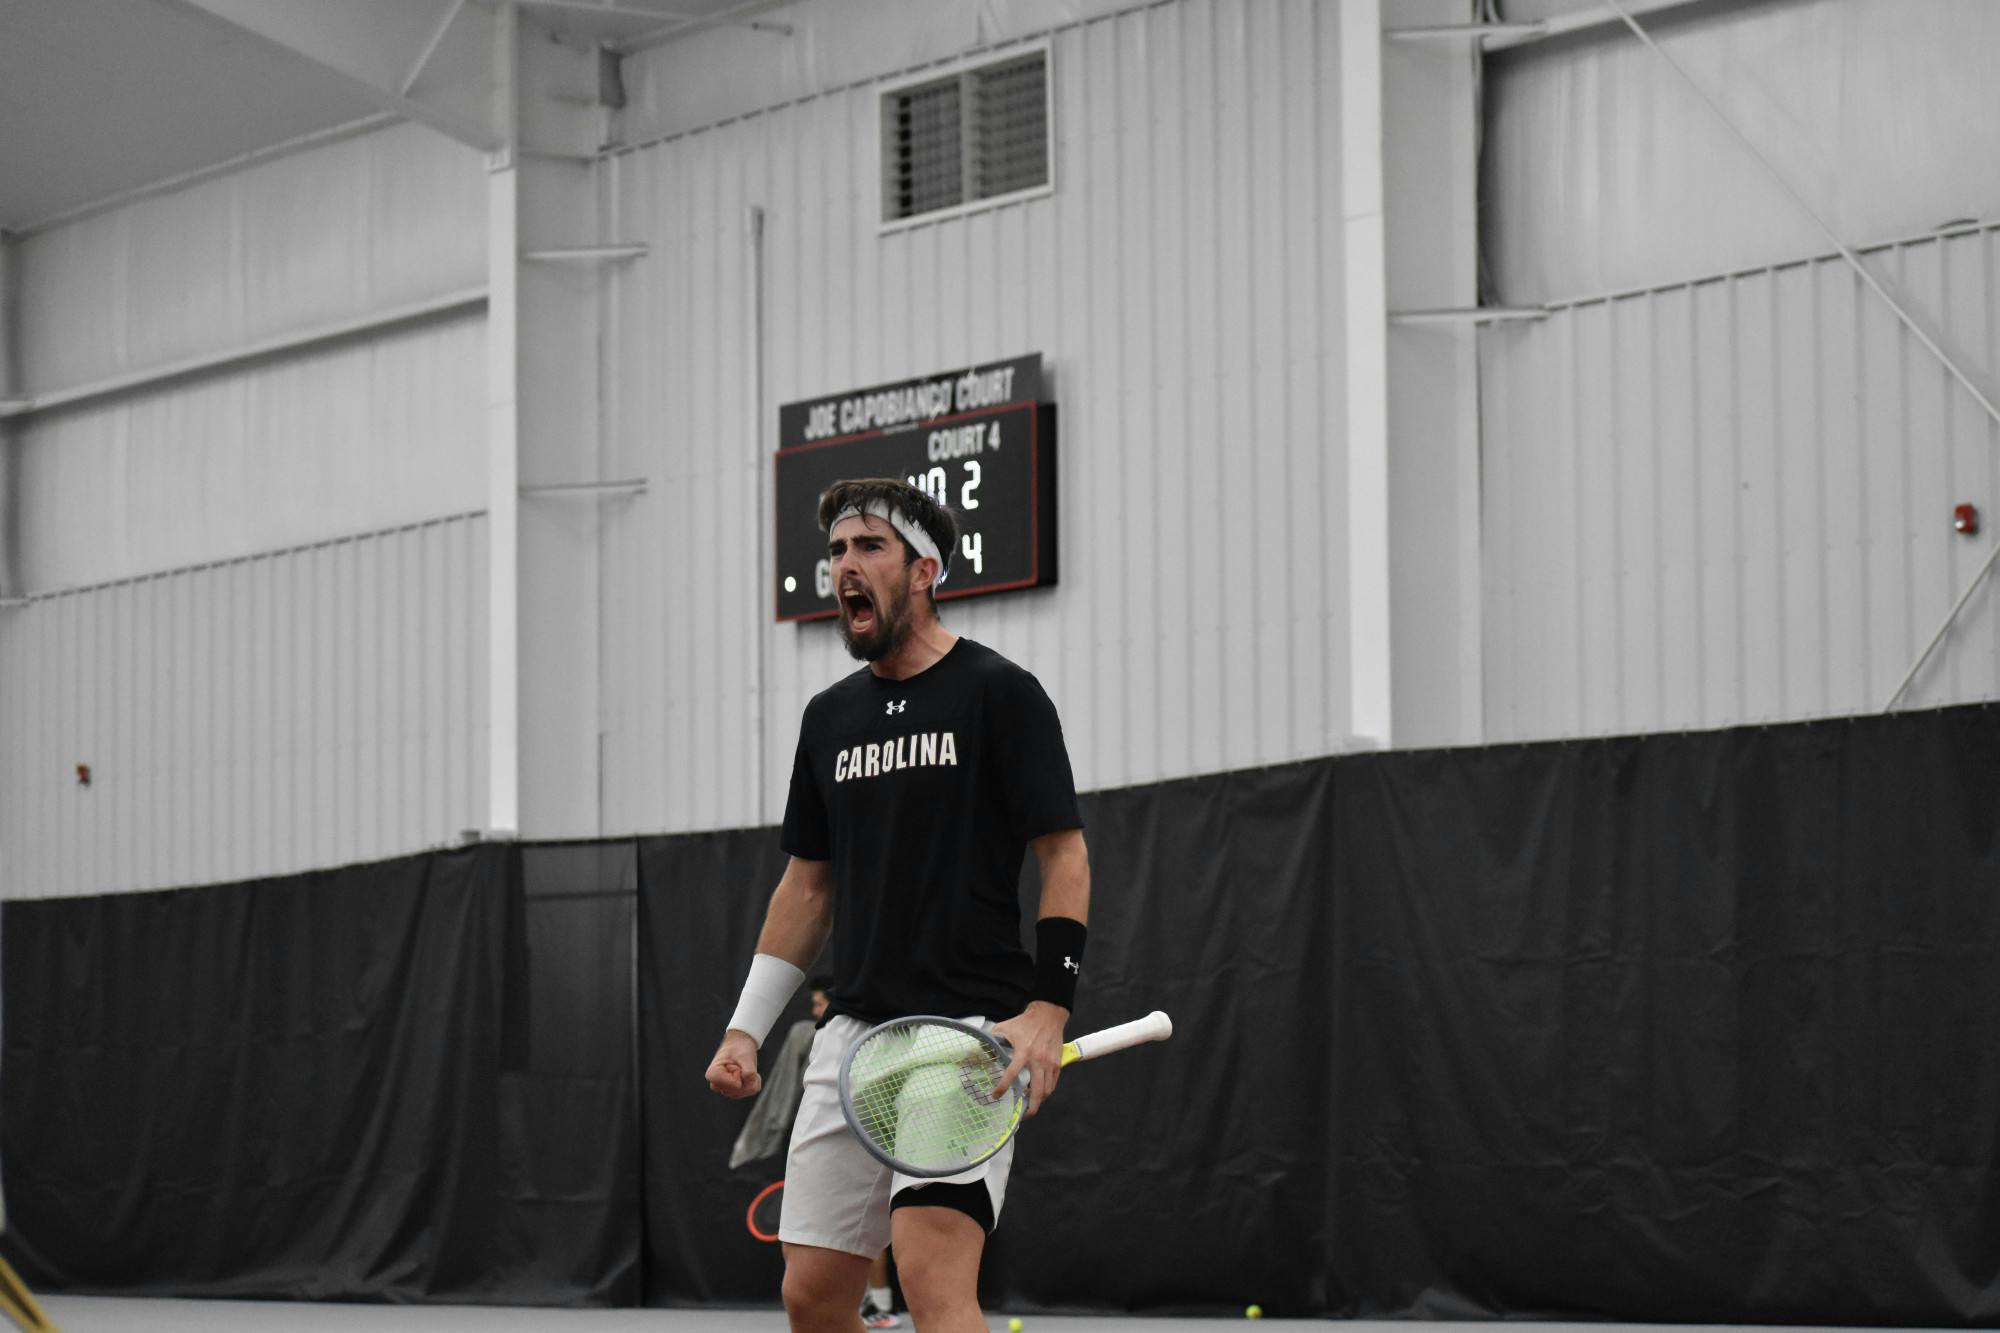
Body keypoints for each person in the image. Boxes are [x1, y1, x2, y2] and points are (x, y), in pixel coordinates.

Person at [706, 477, 1091, 1333]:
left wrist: (1046, 1010)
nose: (845, 565)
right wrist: (745, 1027)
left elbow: (1064, 856)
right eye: (837, 550)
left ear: (924, 570)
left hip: (965, 1037)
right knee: (811, 1296)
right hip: (854, 1039)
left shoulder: (1001, 693)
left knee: (929, 1275)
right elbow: (807, 886)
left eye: (869, 546)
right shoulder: (827, 719)